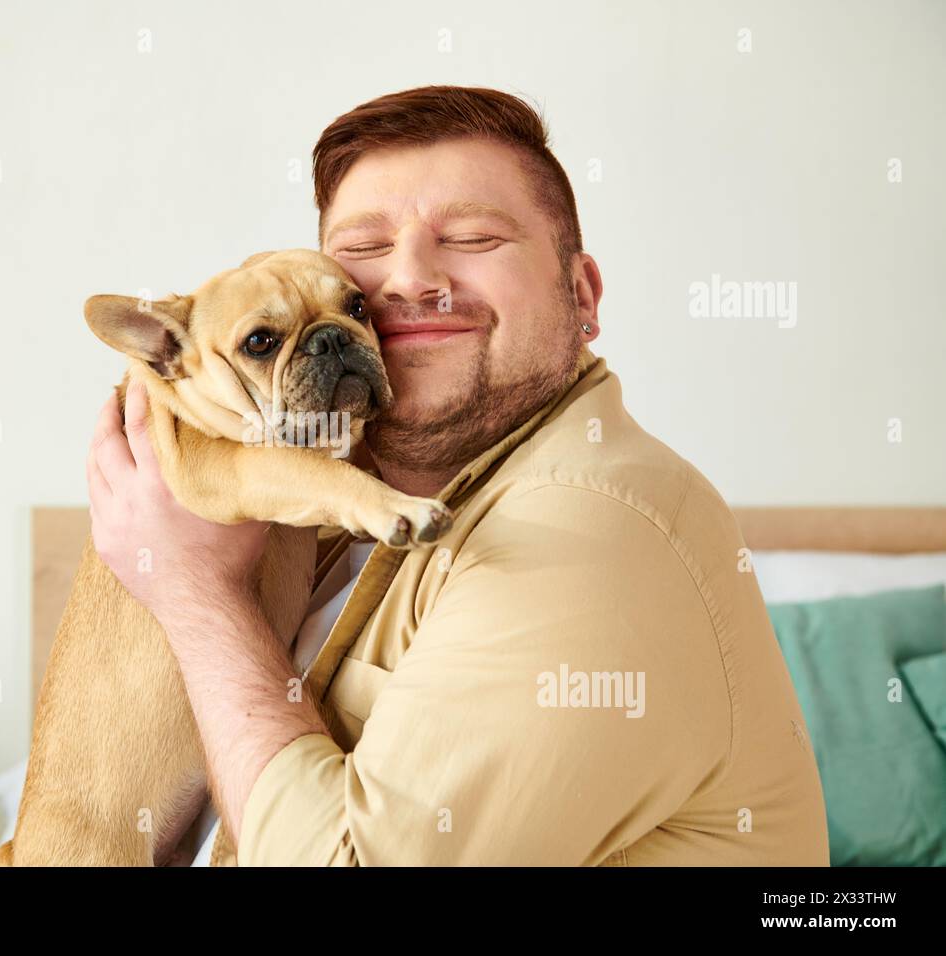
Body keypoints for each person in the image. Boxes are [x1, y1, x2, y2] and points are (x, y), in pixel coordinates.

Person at [86, 85, 830, 866]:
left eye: (473, 237)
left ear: (581, 296)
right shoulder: (343, 504)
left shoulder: (586, 526)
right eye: (363, 254)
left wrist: (195, 593)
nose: (407, 279)